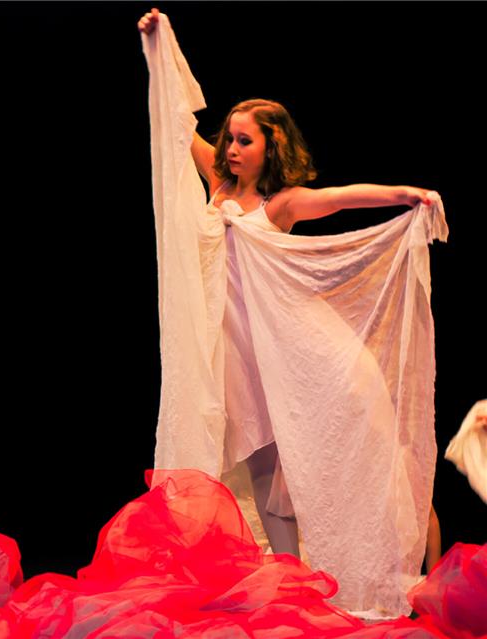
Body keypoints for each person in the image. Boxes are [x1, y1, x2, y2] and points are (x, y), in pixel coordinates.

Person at [137, 8, 446, 617]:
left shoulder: (281, 204)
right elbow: (176, 121)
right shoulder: (217, 185)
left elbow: (340, 198)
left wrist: (408, 193)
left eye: (242, 139)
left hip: (300, 354)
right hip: (236, 355)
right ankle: (293, 595)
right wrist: (158, 47)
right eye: (227, 137)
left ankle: (416, 580)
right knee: (264, 478)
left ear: (270, 146)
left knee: (357, 469)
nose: (228, 148)